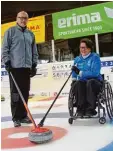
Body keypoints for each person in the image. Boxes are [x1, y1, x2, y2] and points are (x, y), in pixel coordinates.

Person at [1, 11, 38, 127]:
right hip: (15, 67)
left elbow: (34, 51)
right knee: (16, 93)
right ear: (16, 19)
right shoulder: (10, 31)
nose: (23, 20)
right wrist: (7, 61)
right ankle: (16, 117)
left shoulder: (30, 34)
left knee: (25, 92)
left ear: (27, 20)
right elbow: (5, 48)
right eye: (21, 18)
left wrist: (34, 64)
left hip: (26, 67)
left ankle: (23, 116)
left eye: (25, 18)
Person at [71, 38, 103, 117]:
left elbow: (95, 73)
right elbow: (74, 73)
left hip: (95, 81)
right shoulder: (77, 60)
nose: (83, 49)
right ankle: (80, 109)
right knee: (78, 83)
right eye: (81, 47)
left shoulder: (95, 58)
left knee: (89, 82)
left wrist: (81, 73)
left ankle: (90, 109)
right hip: (82, 82)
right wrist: (74, 80)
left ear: (89, 48)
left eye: (85, 47)